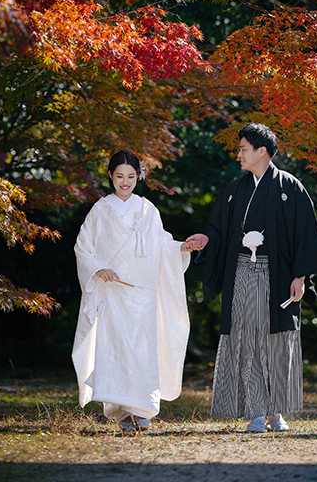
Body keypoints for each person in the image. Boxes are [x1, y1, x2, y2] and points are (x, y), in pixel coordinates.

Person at [186, 122, 317, 433]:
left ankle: (277, 413)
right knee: (246, 339)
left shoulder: (290, 187)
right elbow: (218, 229)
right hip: (242, 273)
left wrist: (300, 276)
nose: (238, 154)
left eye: (243, 149)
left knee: (278, 341)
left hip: (278, 276)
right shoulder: (234, 191)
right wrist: (206, 239)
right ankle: (254, 411)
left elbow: (304, 234)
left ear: (261, 151)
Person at [72, 150, 196, 431]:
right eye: (119, 176)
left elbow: (162, 245)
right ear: (110, 177)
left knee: (142, 351)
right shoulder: (100, 210)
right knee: (115, 350)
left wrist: (181, 248)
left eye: (131, 176)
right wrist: (98, 269)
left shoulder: (148, 209)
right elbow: (83, 247)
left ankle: (142, 411)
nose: (125, 182)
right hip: (113, 292)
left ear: (138, 177)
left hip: (142, 295)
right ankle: (122, 413)